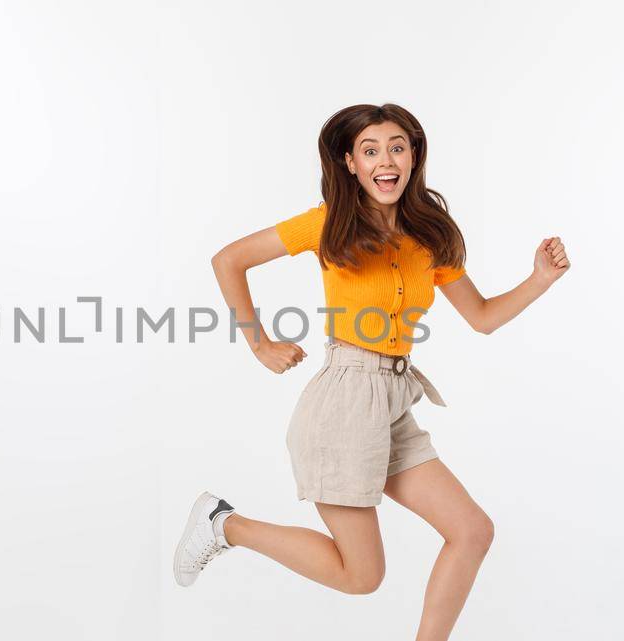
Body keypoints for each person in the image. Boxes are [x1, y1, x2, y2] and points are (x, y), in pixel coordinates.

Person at [172, 103, 570, 639]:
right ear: (351, 163)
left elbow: (481, 317)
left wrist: (539, 279)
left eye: (397, 147)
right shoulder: (328, 223)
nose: (387, 160)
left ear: (413, 157)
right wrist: (260, 345)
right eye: (371, 150)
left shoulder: (432, 234)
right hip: (342, 403)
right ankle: (225, 525)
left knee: (471, 531)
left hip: (393, 402)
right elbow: (229, 259)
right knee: (362, 577)